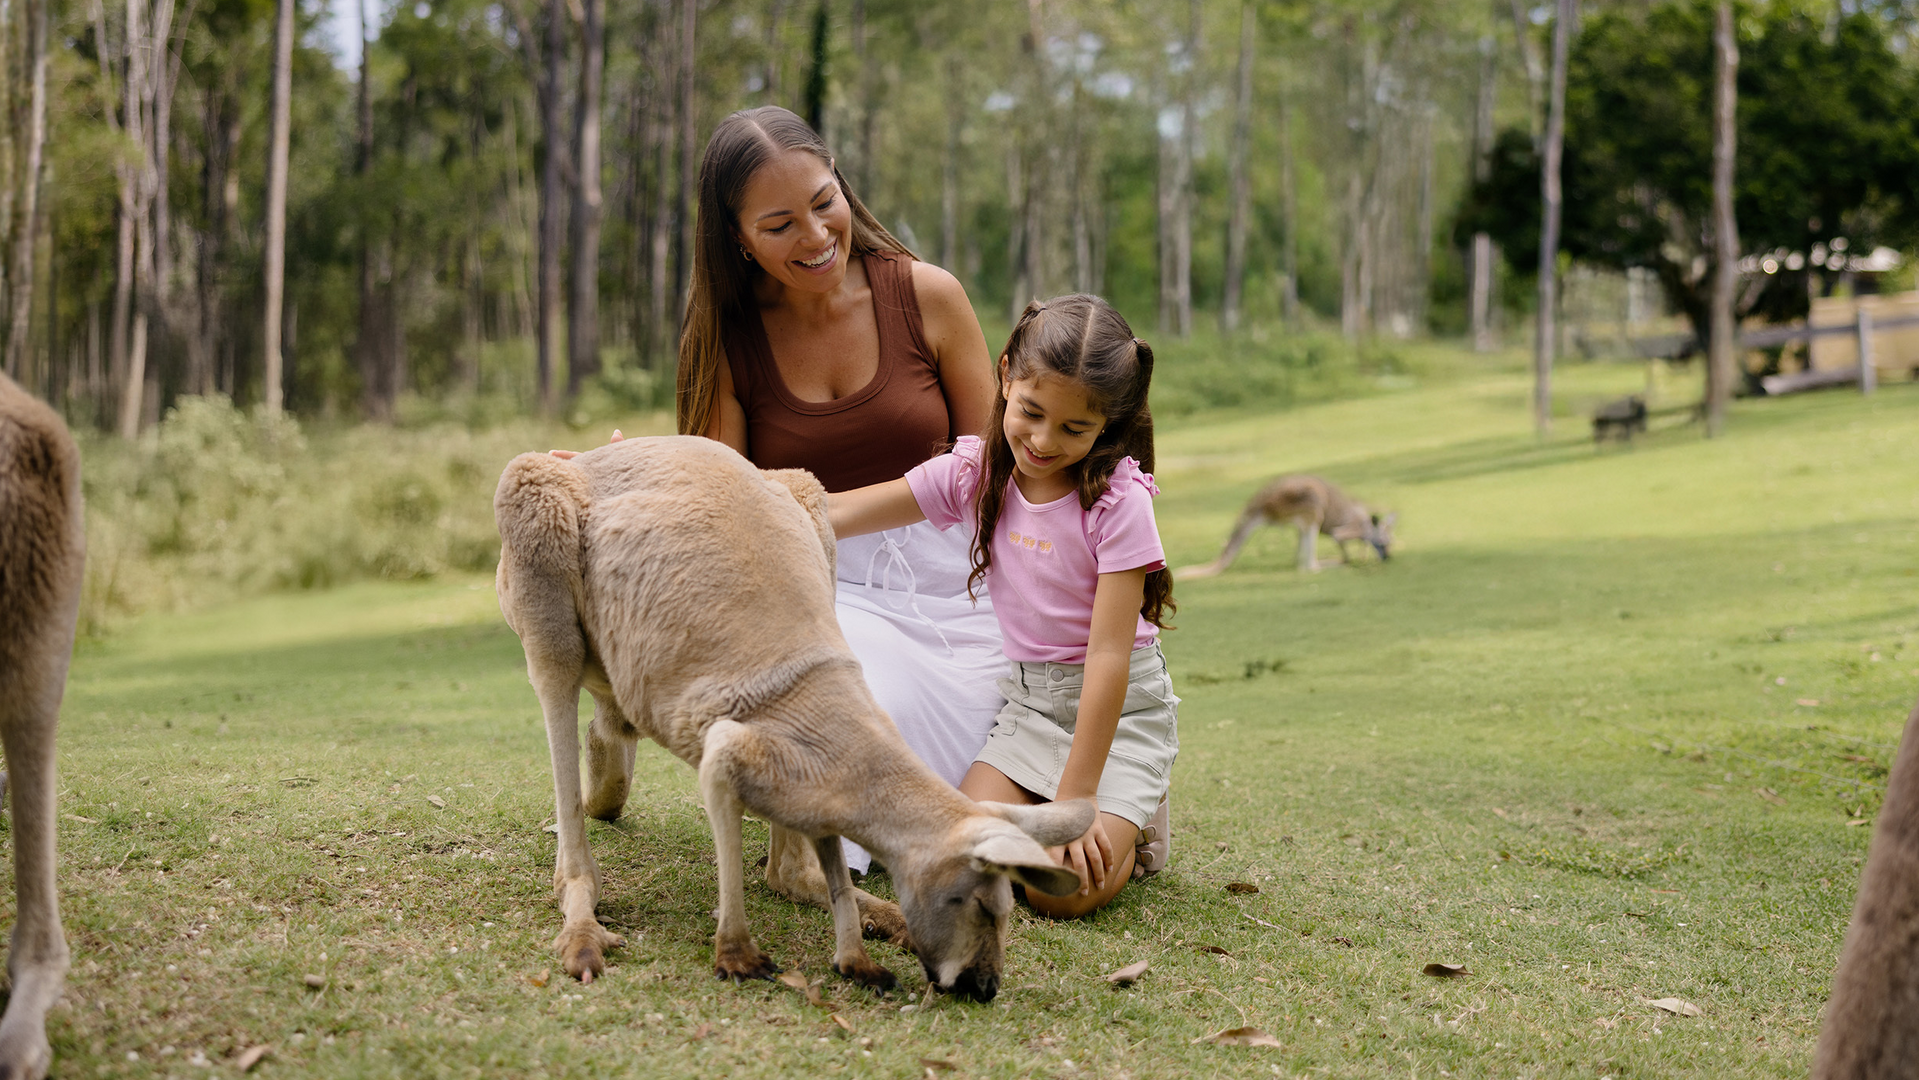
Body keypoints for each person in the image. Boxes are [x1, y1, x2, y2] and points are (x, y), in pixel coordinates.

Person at [565, 106, 1005, 874]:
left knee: (1033, 715)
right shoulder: (731, 341)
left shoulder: (929, 296)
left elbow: (995, 465)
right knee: (864, 713)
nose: (814, 236)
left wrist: (837, 510)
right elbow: (722, 506)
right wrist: (636, 470)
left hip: (963, 582)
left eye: (823, 202)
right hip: (823, 590)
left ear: (842, 186)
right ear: (737, 236)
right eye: (778, 225)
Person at [828, 295, 1179, 917]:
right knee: (961, 854)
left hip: (1119, 716)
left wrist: (1080, 797)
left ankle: (1134, 815)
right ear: (1005, 373)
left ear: (1108, 424)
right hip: (1029, 706)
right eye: (1032, 412)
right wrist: (677, 473)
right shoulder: (974, 471)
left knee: (1058, 896)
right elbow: (835, 510)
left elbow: (1106, 658)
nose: (1043, 441)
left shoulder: (1119, 504)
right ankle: (1055, 814)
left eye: (1074, 429)